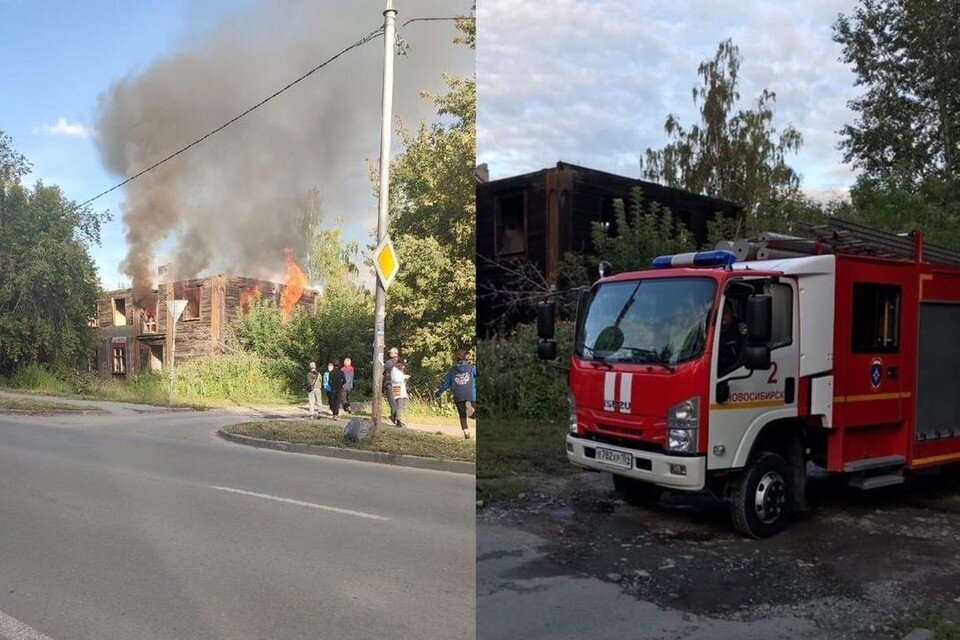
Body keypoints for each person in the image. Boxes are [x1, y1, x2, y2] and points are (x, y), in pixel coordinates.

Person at [436, 349, 477, 439]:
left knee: (462, 416)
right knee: (474, 416)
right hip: (470, 394)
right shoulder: (472, 367)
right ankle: (471, 409)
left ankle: (466, 433)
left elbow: (446, 384)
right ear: (465, 357)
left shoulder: (452, 370)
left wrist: (438, 393)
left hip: (458, 394)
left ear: (455, 358)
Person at [717, 300, 748, 375]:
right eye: (721, 312)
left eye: (725, 312)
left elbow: (745, 349)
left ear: (731, 313)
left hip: (736, 370)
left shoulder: (740, 327)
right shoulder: (713, 329)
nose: (722, 315)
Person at [390, 358, 410, 428]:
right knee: (400, 404)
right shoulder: (394, 370)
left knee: (405, 403)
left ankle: (395, 415)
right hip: (397, 389)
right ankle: (398, 420)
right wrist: (404, 377)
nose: (403, 367)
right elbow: (396, 379)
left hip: (402, 389)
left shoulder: (400, 370)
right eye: (403, 365)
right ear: (399, 364)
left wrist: (404, 376)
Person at [383, 347, 400, 423]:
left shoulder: (389, 362)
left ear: (394, 353)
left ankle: (394, 417)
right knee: (396, 401)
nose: (389, 353)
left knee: (392, 401)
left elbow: (381, 369)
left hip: (390, 384)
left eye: (391, 352)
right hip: (398, 384)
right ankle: (397, 417)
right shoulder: (399, 362)